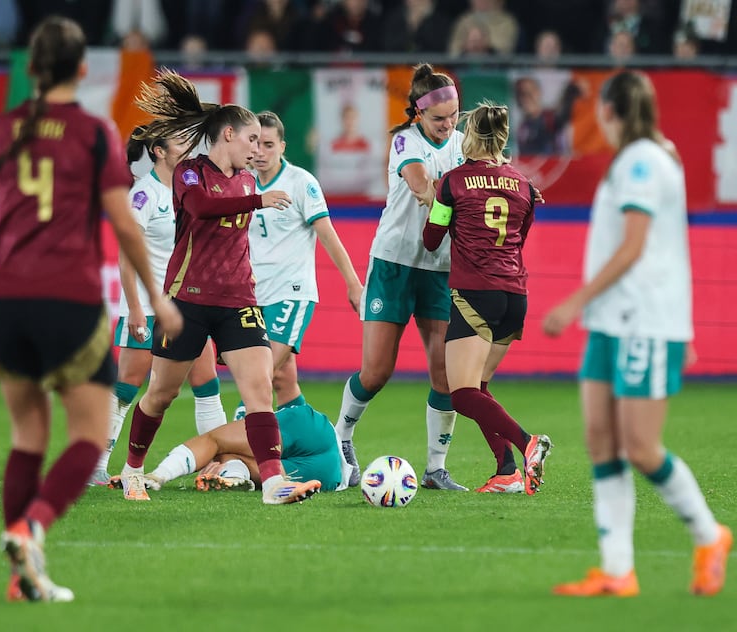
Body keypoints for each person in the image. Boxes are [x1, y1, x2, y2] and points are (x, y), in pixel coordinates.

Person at [0, 16, 182, 602]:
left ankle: (22, 575)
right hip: (68, 300)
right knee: (85, 435)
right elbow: (124, 223)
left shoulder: (0, 129)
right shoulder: (94, 133)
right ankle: (32, 527)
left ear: (30, 68)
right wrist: (156, 299)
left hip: (4, 297)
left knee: (28, 435)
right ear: (82, 69)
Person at [543, 70, 732, 596]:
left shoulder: (643, 162)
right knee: (601, 442)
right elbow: (673, 244)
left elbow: (635, 246)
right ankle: (618, 570)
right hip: (613, 321)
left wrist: (573, 302)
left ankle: (708, 533)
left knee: (642, 447)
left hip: (641, 321)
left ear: (609, 111)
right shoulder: (646, 157)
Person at [116, 69, 321, 505]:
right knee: (161, 393)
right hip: (186, 301)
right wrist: (258, 200)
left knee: (260, 389)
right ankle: (133, 468)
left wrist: (255, 199)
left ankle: (273, 483)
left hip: (238, 302)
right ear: (229, 135)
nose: (256, 151)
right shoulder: (189, 172)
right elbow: (203, 208)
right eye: (251, 140)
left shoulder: (247, 179)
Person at [334, 63, 468, 491]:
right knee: (375, 372)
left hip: (441, 270)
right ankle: (342, 438)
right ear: (418, 114)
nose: (448, 125)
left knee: (445, 375)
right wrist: (453, 207)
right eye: (439, 118)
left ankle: (435, 468)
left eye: (454, 116)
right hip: (394, 264)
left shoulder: (466, 146)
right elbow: (421, 185)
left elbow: (494, 177)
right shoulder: (405, 141)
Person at [421, 100, 553, 495]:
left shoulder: (453, 182)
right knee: (477, 385)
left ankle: (527, 443)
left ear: (469, 138)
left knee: (460, 394)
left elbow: (431, 241)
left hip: (475, 296)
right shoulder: (525, 186)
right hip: (515, 297)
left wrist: (433, 202)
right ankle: (507, 471)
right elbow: (517, 239)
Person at [89, 127, 228, 486]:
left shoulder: (189, 188)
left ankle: (221, 463)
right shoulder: (144, 194)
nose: (188, 147)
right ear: (158, 151)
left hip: (187, 304)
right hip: (149, 308)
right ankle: (94, 464)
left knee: (207, 383)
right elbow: (125, 254)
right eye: (181, 141)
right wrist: (135, 308)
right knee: (127, 386)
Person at [231, 110, 363, 420]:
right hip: (253, 296)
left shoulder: (301, 182)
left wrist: (353, 283)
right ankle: (329, 451)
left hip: (290, 293)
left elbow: (328, 236)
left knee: (257, 375)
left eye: (268, 144)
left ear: (282, 147)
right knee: (284, 380)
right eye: (255, 143)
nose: (260, 152)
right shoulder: (242, 183)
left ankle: (234, 450)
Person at [144, 402, 344, 493]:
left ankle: (158, 475)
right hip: (332, 474)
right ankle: (234, 476)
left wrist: (215, 458)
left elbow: (214, 441)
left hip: (305, 428)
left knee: (216, 441)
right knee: (272, 476)